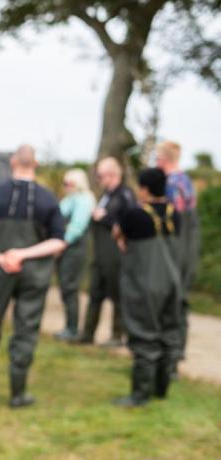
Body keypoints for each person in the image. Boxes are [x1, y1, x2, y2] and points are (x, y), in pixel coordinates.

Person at [0, 145, 66, 408]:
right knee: (26, 328)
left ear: (13, 162)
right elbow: (58, 241)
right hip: (34, 273)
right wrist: (24, 254)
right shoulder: (48, 199)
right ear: (36, 164)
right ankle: (17, 394)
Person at [112, 168, 182, 407]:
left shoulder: (136, 214)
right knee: (168, 332)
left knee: (144, 335)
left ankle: (140, 393)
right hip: (172, 282)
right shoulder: (175, 214)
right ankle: (161, 388)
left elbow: (118, 236)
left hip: (144, 282)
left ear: (144, 189)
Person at [77, 156, 136, 346]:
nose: (98, 179)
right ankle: (87, 334)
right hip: (100, 253)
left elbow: (131, 222)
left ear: (112, 174)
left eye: (100, 175)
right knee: (95, 293)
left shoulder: (125, 195)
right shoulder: (106, 195)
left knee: (117, 294)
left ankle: (118, 335)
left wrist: (107, 219)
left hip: (115, 254)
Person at [156, 140, 200, 372]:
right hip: (189, 248)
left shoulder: (170, 184)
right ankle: (178, 350)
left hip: (177, 248)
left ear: (163, 159)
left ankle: (170, 356)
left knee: (173, 300)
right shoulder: (187, 181)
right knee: (181, 300)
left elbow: (172, 222)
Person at [53, 168, 96, 341]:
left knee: (70, 287)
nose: (66, 186)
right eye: (64, 183)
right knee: (64, 286)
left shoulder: (84, 200)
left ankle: (72, 328)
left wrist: (61, 244)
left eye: (69, 183)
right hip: (64, 246)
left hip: (74, 247)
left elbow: (76, 227)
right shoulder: (69, 200)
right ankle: (68, 326)